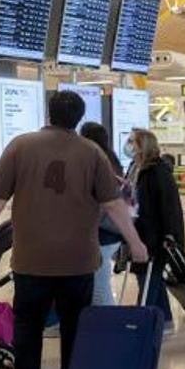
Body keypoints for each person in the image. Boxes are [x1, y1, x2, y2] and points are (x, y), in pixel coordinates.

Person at [0, 90, 149, 369]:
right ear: (77, 118)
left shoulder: (20, 146)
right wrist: (135, 243)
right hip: (77, 262)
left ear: (48, 112)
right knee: (75, 330)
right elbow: (113, 206)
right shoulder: (92, 153)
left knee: (27, 329)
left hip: (31, 261)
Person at [126, 129, 183, 330]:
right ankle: (164, 319)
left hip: (155, 235)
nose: (128, 145)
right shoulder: (134, 168)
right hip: (138, 231)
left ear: (144, 145)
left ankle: (143, 322)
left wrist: (170, 235)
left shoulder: (158, 172)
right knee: (152, 277)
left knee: (148, 277)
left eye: (132, 141)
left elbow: (168, 207)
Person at [78, 122, 127, 308]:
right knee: (97, 283)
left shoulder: (98, 162)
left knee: (99, 286)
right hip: (110, 231)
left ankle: (108, 325)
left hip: (101, 233)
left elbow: (103, 202)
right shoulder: (111, 159)